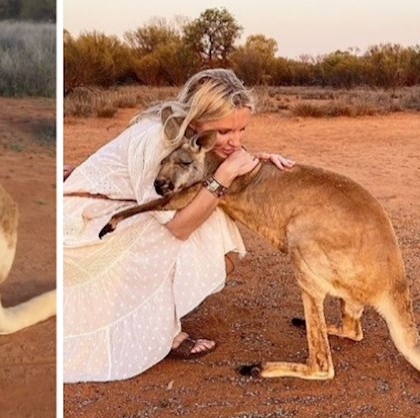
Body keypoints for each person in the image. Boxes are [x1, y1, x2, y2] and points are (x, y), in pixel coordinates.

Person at [62, 69, 294, 383]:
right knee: (167, 230)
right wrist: (225, 175)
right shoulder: (160, 140)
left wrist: (259, 162)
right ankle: (165, 331)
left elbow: (208, 166)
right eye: (225, 131)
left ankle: (164, 312)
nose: (235, 141)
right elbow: (178, 226)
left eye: (241, 130)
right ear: (197, 120)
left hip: (112, 207)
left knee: (211, 213)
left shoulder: (189, 135)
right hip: (82, 223)